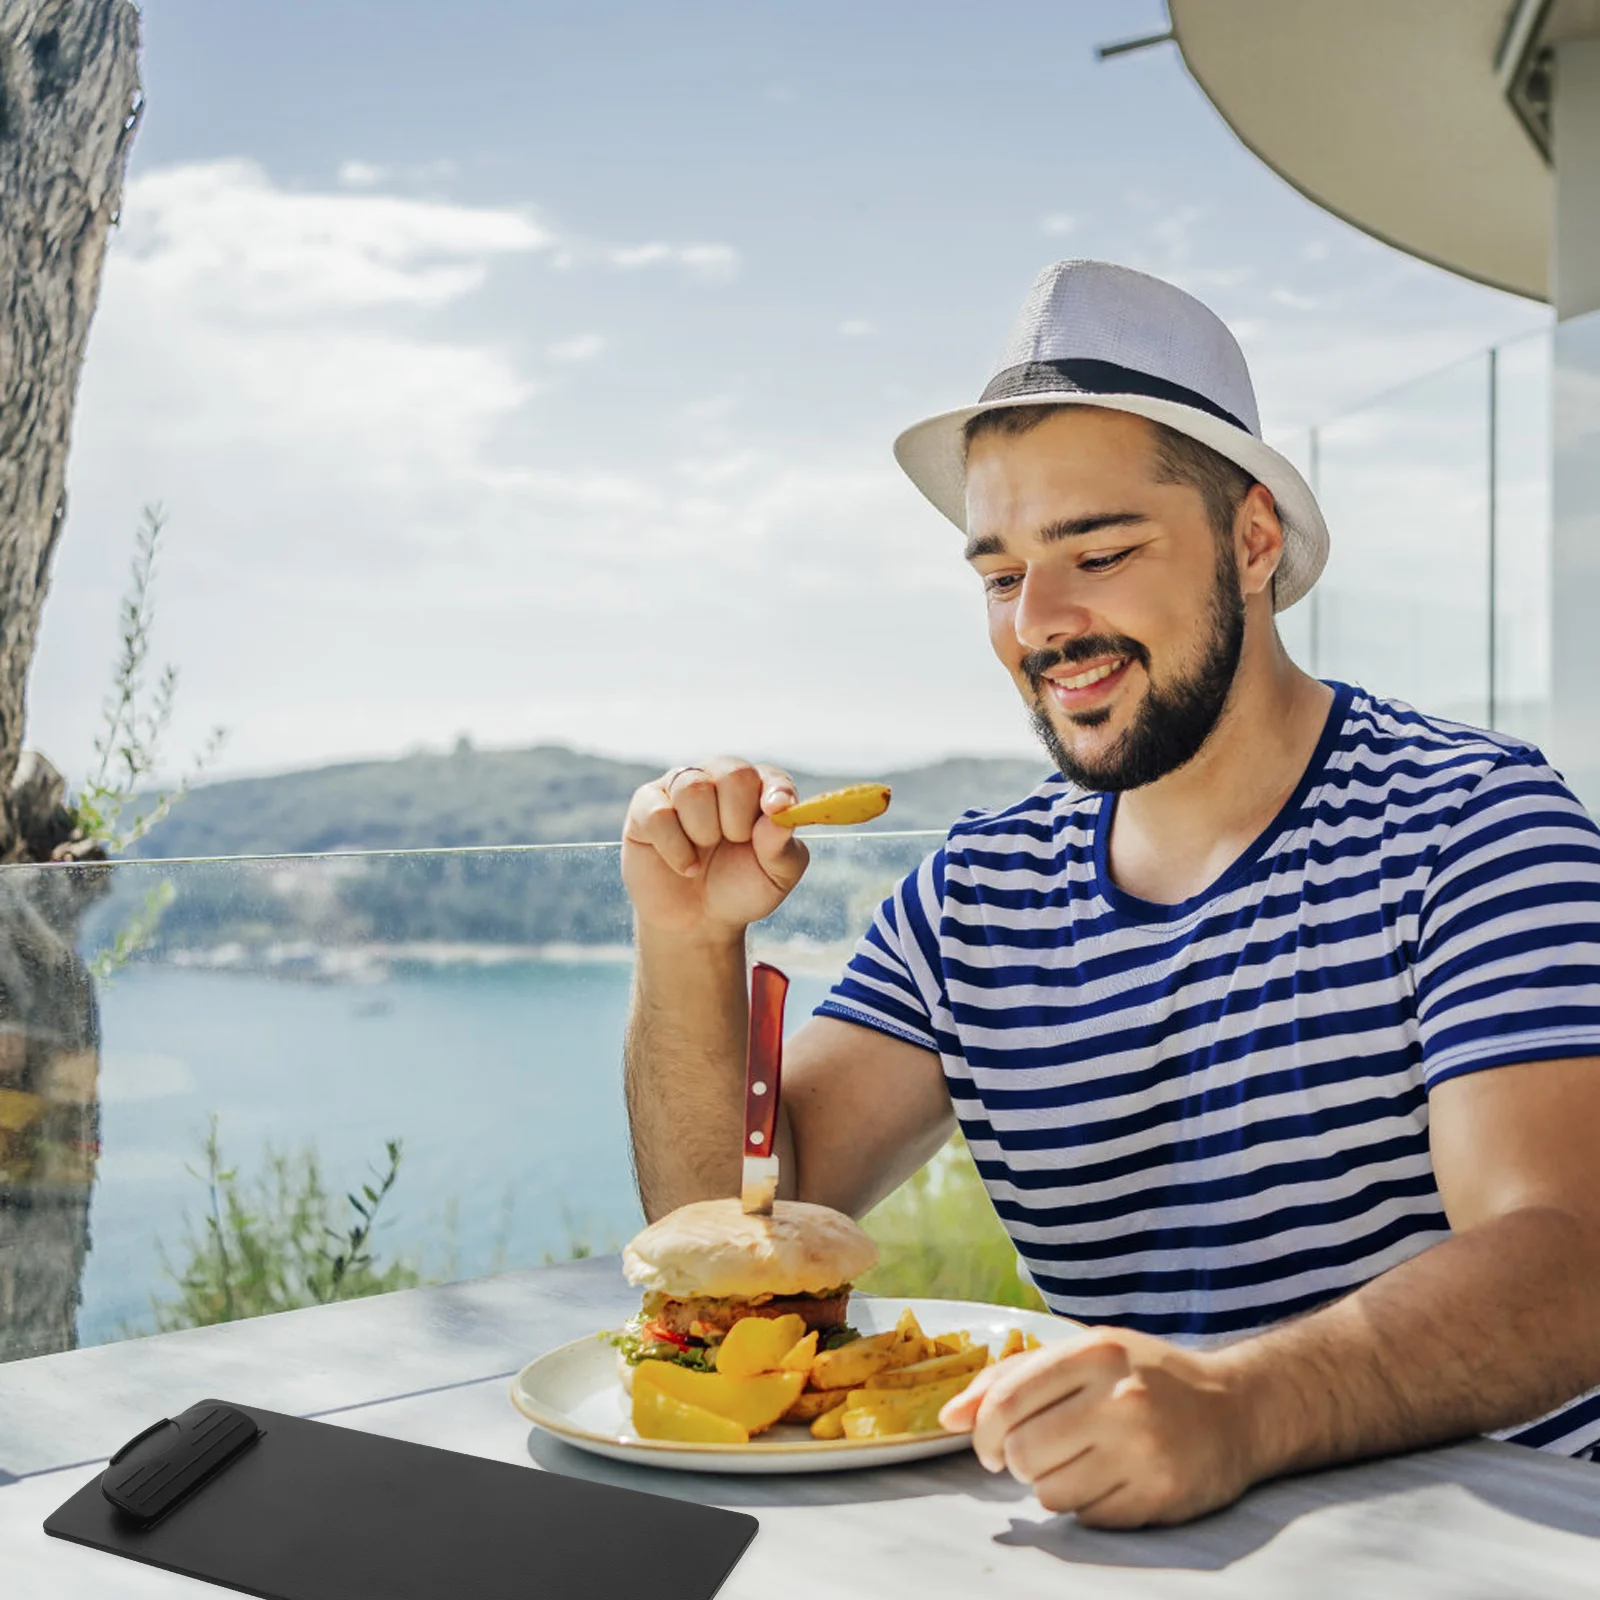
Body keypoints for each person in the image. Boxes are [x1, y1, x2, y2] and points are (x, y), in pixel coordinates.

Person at [620, 260, 1600, 1527]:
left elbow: (1570, 1256)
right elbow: (731, 1223)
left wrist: (1238, 1406)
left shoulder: (1475, 827)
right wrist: (686, 944)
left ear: (1252, 540)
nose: (1040, 620)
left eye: (1099, 548)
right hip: (1133, 1548)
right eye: (997, 572)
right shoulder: (973, 896)